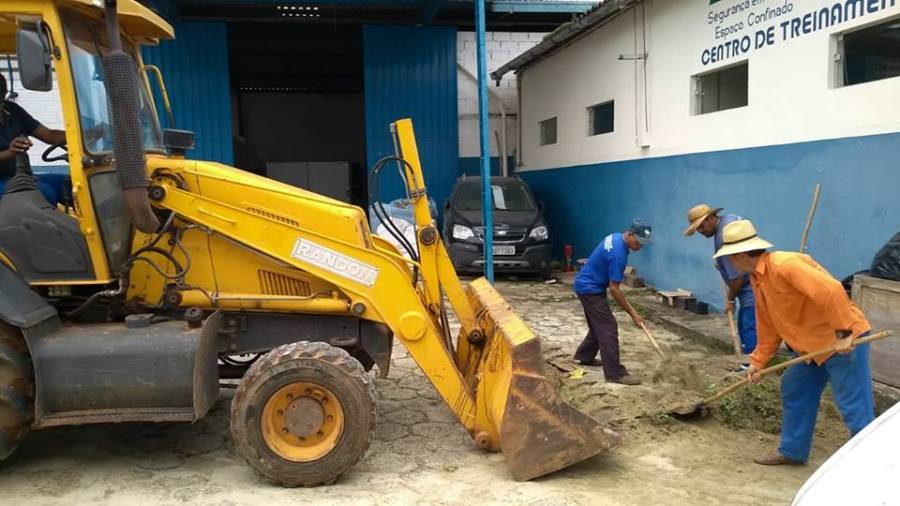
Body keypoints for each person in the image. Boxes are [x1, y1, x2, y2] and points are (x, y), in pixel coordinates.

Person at [714, 219, 873, 466]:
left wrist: (843, 333)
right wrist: (758, 362)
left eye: (730, 257)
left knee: (853, 404)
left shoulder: (785, 265)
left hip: (841, 340)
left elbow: (831, 290)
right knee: (795, 386)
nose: (730, 263)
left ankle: (869, 462)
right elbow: (769, 325)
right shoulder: (758, 279)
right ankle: (793, 451)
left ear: (740, 255)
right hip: (810, 347)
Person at [572, 219, 652, 386]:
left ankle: (583, 357)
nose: (640, 246)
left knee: (598, 326)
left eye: (643, 243)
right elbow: (614, 289)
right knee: (608, 328)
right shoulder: (618, 255)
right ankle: (615, 374)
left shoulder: (615, 237)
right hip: (590, 290)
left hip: (586, 285)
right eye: (638, 242)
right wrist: (633, 314)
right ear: (630, 234)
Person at [684, 203, 756, 366]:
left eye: (701, 226)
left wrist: (730, 300)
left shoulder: (724, 237)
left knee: (748, 327)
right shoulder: (730, 221)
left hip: (750, 289)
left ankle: (751, 367)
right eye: (697, 229)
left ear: (711, 218)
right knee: (748, 324)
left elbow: (737, 278)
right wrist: (722, 263)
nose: (700, 231)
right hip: (755, 284)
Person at [0, 74, 67, 180]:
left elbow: (48, 135)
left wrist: (82, 137)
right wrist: (10, 152)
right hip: (4, 180)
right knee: (44, 189)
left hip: (23, 177)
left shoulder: (12, 110)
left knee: (68, 182)